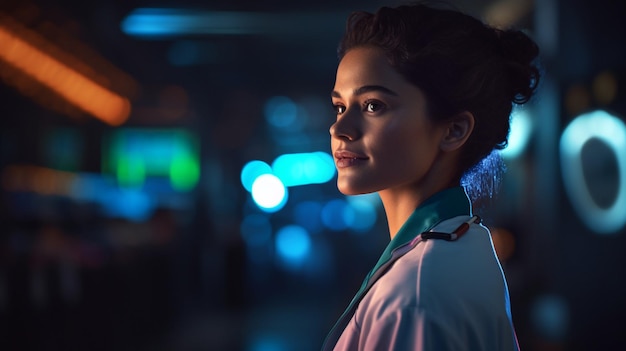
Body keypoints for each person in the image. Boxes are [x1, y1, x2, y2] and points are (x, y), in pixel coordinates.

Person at [322, 2, 539, 351]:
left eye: (373, 105)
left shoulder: (413, 295)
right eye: (340, 106)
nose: (340, 128)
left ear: (453, 130)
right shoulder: (467, 242)